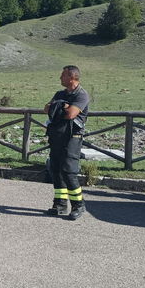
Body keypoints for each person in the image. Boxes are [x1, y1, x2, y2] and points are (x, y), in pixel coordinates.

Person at [43, 65, 90, 220]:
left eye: (62, 75)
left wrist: (60, 106)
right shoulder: (59, 93)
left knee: (69, 172)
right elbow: (46, 109)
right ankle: (60, 205)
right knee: (55, 169)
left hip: (72, 138)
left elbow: (70, 114)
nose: (60, 78)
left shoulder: (82, 95)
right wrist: (59, 106)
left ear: (72, 77)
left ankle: (78, 205)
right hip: (57, 136)